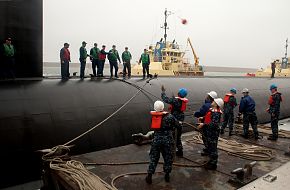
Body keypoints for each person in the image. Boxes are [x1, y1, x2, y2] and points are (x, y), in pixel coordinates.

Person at [146, 100, 179, 184]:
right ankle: (167, 175)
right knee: (168, 157)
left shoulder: (153, 117)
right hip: (167, 140)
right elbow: (177, 125)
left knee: (154, 158)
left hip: (156, 139)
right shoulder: (170, 117)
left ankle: (149, 175)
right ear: (163, 107)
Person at [161, 85, 188, 157]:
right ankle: (180, 151)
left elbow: (165, 99)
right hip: (180, 119)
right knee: (178, 136)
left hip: (174, 120)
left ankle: (171, 152)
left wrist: (163, 92)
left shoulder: (175, 101)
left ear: (179, 94)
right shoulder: (182, 101)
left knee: (172, 136)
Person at [197, 98, 223, 170]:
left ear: (216, 104)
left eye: (214, 101)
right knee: (209, 147)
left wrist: (203, 124)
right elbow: (208, 117)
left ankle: (213, 164)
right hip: (209, 132)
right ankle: (211, 161)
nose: (213, 101)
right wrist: (202, 118)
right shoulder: (212, 110)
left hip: (213, 133)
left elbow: (214, 124)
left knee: (213, 148)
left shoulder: (216, 113)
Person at [194, 91, 218, 156]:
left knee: (205, 137)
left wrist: (196, 114)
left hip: (207, 125)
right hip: (209, 125)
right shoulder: (214, 108)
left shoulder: (207, 105)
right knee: (208, 139)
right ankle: (208, 149)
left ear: (209, 98)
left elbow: (201, 112)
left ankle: (208, 150)